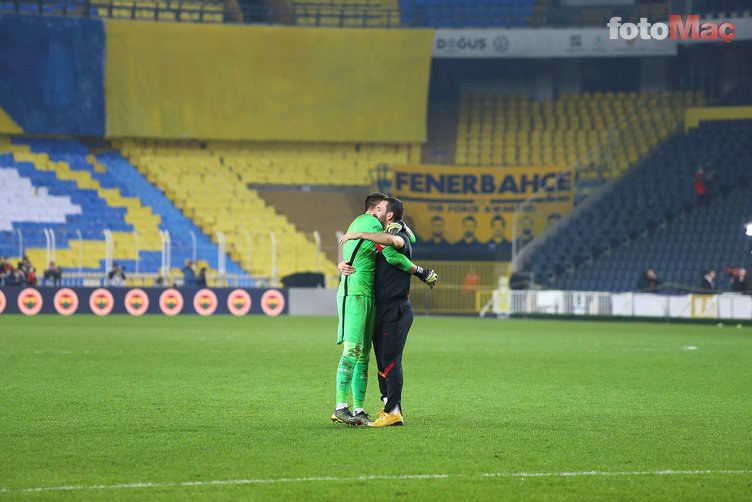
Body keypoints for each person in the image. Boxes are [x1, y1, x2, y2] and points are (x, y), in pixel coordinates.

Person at [331, 192, 437, 426]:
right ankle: (341, 406)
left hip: (373, 297)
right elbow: (392, 253)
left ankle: (360, 409)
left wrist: (402, 227)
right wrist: (421, 272)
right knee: (356, 351)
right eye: (380, 210)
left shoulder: (376, 227)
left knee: (365, 355)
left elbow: (403, 240)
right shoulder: (369, 224)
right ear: (377, 209)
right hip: (358, 293)